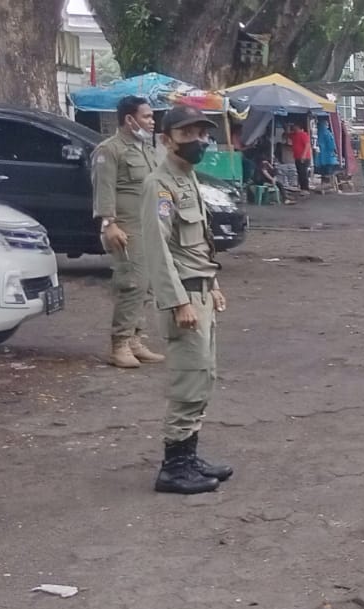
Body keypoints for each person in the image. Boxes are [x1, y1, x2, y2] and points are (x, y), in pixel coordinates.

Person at [139, 105, 235, 496]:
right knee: (188, 380)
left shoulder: (186, 177)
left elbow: (198, 243)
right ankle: (174, 468)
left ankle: (189, 456)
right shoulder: (159, 185)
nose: (199, 141)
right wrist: (178, 302)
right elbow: (158, 249)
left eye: (202, 133)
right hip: (184, 297)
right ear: (166, 140)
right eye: (187, 134)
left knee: (203, 376)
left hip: (200, 290)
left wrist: (213, 283)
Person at [92, 95, 165, 370]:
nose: (152, 121)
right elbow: (104, 189)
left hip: (149, 225)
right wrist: (109, 224)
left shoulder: (145, 148)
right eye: (147, 116)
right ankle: (119, 344)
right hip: (126, 227)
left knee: (147, 286)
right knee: (132, 283)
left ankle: (136, 340)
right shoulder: (109, 150)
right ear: (129, 119)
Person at [288, 123, 313, 191]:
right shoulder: (294, 135)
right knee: (300, 173)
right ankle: (302, 188)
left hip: (304, 157)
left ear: (298, 126)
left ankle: (305, 188)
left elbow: (307, 145)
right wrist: (287, 127)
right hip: (297, 157)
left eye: (294, 126)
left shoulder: (303, 134)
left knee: (303, 173)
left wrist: (303, 155)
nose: (293, 127)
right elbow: (287, 134)